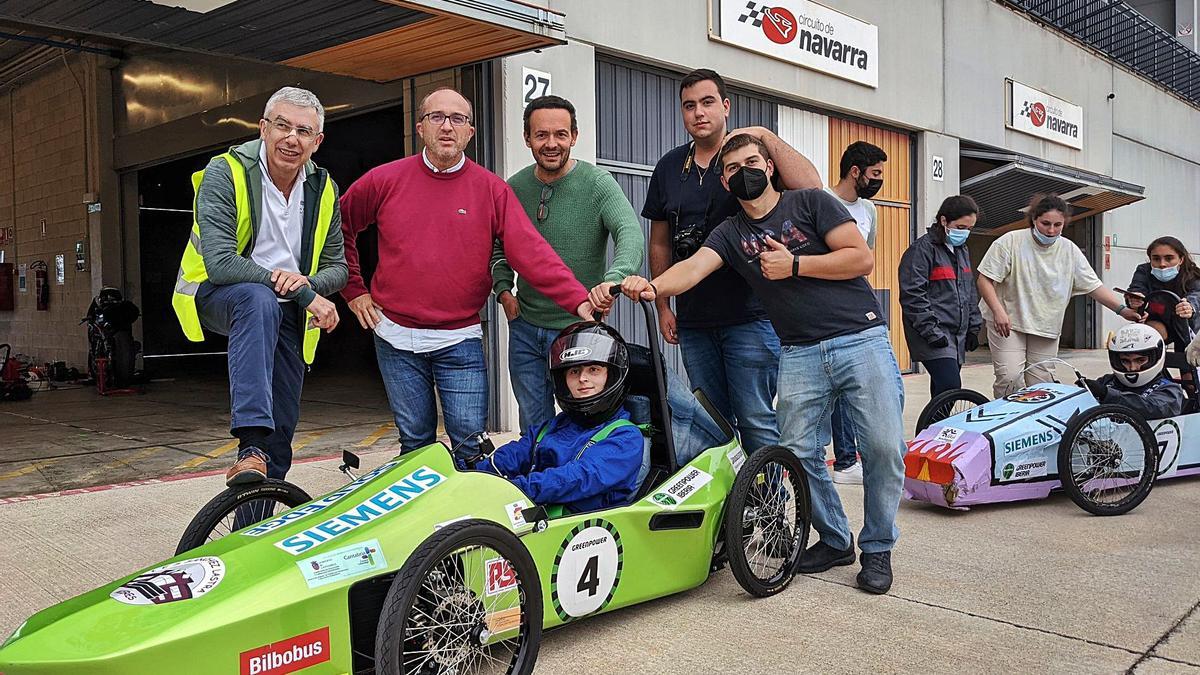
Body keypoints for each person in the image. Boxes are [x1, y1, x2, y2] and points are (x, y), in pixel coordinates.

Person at [614, 133, 906, 595]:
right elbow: (693, 268)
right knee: (797, 453)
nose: (743, 173)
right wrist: (654, 289)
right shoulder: (731, 232)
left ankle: (877, 548)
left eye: (751, 162)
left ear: (769, 167)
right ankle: (834, 538)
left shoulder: (809, 203)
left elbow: (860, 258)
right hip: (798, 350)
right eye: (732, 169)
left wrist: (794, 266)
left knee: (883, 449)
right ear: (726, 181)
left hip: (858, 339)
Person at [339, 87, 595, 458]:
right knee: (415, 445)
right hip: (394, 337)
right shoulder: (383, 180)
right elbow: (336, 228)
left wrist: (577, 300)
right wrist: (353, 289)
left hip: (459, 340)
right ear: (421, 127)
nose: (447, 127)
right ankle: (423, 517)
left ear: (470, 132)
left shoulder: (491, 190)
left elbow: (531, 253)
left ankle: (469, 520)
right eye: (437, 117)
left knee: (470, 448)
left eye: (458, 119)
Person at [641, 68, 821, 458]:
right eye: (689, 106)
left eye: (707, 103)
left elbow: (811, 186)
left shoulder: (747, 157)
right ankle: (731, 508)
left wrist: (766, 138)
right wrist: (662, 306)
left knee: (755, 418)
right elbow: (659, 243)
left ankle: (770, 504)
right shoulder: (669, 167)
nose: (698, 113)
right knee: (711, 419)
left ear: (726, 106)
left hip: (752, 316)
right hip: (694, 319)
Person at [172, 86, 346, 485]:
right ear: (263, 128)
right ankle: (249, 444)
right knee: (258, 298)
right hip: (222, 294)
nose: (291, 138)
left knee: (281, 439)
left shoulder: (323, 189)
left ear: (316, 142)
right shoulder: (225, 171)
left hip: (287, 311)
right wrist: (304, 292)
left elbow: (338, 268)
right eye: (282, 126)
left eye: (304, 131)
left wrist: (308, 283)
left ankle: (256, 524)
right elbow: (219, 263)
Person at [492, 95, 644, 435]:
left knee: (589, 420)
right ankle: (539, 485)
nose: (551, 144)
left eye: (560, 134)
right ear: (526, 138)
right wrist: (503, 290)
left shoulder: (598, 184)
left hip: (580, 329)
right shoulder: (512, 188)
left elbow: (630, 234)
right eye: (541, 135)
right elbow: (496, 245)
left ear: (574, 136)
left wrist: (613, 280)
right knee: (533, 424)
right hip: (525, 327)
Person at [976, 193, 1142, 398]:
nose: (1051, 230)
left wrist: (1122, 310)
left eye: (1058, 225)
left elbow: (1093, 286)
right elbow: (985, 279)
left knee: (1041, 382)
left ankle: (1035, 424)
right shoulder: (1010, 241)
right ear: (1034, 219)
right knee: (1009, 378)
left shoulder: (1069, 250)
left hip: (1046, 324)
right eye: (1045, 223)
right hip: (1008, 321)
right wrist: (998, 311)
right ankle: (1006, 421)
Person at [470, 322, 644, 514]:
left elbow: (576, 478)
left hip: (587, 531)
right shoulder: (555, 426)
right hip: (540, 517)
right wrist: (471, 474)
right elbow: (514, 454)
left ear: (612, 376)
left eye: (593, 369)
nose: (582, 378)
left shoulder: (626, 437)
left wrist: (512, 489)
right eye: (574, 371)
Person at [825, 141, 887, 485]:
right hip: (822, 308)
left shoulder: (870, 210)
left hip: (855, 305)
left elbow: (866, 258)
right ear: (855, 172)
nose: (879, 180)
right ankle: (840, 459)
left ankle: (849, 458)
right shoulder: (822, 200)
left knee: (856, 385)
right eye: (875, 174)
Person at [899, 195, 983, 397]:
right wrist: (931, 331)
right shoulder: (922, 250)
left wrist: (974, 326)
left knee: (942, 393)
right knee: (950, 385)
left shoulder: (961, 250)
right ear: (944, 221)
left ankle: (931, 428)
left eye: (969, 229)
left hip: (957, 335)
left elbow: (968, 289)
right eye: (961, 227)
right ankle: (931, 427)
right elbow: (912, 294)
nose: (965, 233)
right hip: (932, 333)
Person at [1083, 324, 1184, 419]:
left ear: (1157, 357)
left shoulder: (1170, 390)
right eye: (1125, 361)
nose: (1132, 368)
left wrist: (1107, 395)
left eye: (1140, 360)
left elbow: (1153, 409)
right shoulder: (1107, 381)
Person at [1123, 236, 1200, 346]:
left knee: (1188, 355)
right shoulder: (1143, 271)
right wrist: (1135, 300)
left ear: (1181, 259)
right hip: (1156, 320)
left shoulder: (1192, 274)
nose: (1162, 264)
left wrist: (1189, 306)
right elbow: (1136, 289)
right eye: (1156, 259)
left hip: (1187, 324)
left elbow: (1197, 294)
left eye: (1169, 258)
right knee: (1149, 334)